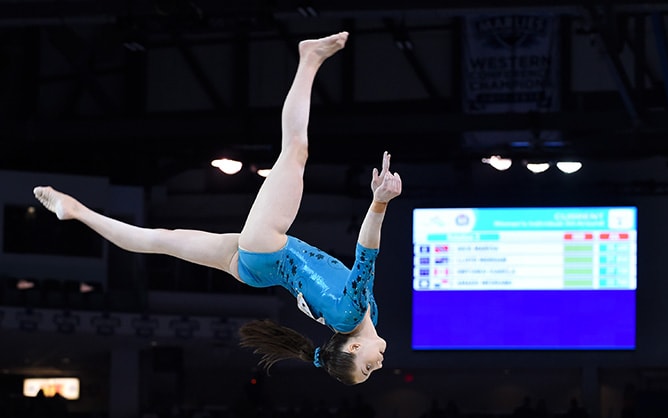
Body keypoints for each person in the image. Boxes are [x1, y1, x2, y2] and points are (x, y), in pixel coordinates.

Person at [32, 31, 402, 385]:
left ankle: (309, 59)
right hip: (255, 271)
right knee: (161, 240)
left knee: (295, 150)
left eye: (366, 369)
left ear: (353, 348)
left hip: (268, 248)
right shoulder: (367, 315)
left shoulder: (350, 315)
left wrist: (379, 202)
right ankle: (77, 211)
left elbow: (367, 252)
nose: (376, 367)